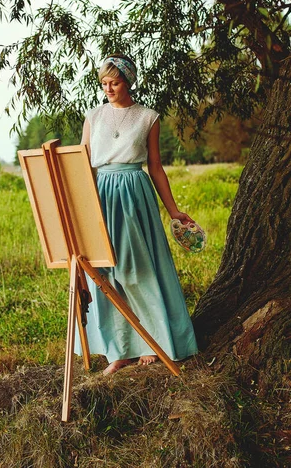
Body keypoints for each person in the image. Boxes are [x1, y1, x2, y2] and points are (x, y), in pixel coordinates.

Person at [77, 53, 198, 375]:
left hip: (133, 193)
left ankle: (150, 341)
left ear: (128, 82)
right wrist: (80, 207)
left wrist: (173, 210)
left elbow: (156, 167)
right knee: (104, 271)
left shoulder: (148, 117)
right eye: (104, 83)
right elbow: (83, 162)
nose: (108, 88)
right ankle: (118, 350)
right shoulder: (94, 116)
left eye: (114, 82)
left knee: (136, 268)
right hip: (100, 193)